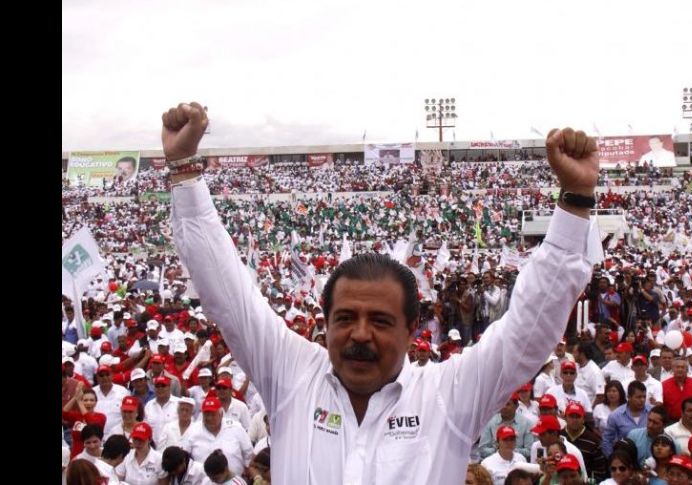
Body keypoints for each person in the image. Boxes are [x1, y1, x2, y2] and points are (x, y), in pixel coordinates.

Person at [164, 102, 598, 484]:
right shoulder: (291, 374)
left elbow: (528, 330)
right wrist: (184, 171)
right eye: (346, 318)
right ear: (326, 321)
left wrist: (576, 200)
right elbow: (228, 293)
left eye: (380, 321)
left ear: (412, 328)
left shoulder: (449, 392)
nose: (359, 334)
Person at [478, 392, 536, 460]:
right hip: (494, 462)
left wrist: (510, 451)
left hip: (518, 463)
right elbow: (482, 449)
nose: (504, 407)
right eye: (502, 404)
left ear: (516, 406)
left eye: (507, 404)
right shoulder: (490, 422)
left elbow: (529, 451)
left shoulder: (527, 423)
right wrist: (498, 451)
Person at [601, 381, 650, 457]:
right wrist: (613, 459)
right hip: (626, 461)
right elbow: (607, 441)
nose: (642, 400)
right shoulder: (615, 416)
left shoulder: (652, 412)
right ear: (629, 397)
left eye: (644, 397)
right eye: (638, 397)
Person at [62, 384, 107, 460]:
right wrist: (75, 397)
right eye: (85, 400)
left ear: (96, 402)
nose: (88, 403)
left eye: (91, 400)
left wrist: (79, 402)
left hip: (93, 457)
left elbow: (91, 423)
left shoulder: (101, 416)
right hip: (76, 456)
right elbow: (64, 413)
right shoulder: (77, 416)